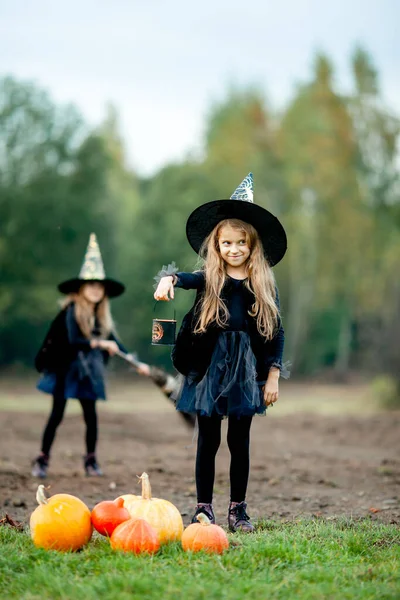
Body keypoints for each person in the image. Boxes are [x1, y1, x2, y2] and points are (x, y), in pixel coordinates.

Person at [154, 173, 288, 532]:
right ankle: (203, 509)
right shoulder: (210, 278)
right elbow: (185, 278)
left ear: (252, 246)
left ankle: (238, 510)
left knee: (239, 441)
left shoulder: (263, 284)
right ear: (216, 245)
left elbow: (276, 333)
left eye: (240, 243)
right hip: (210, 368)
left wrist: (273, 375)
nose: (233, 249)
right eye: (226, 243)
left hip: (246, 372)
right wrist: (169, 280)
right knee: (208, 439)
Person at [32, 233, 146, 478]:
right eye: (91, 285)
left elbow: (115, 342)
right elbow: (74, 341)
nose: (96, 289)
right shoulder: (72, 310)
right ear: (82, 288)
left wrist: (136, 363)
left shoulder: (102, 315)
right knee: (57, 414)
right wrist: (100, 343)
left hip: (88, 372)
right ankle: (42, 459)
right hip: (66, 369)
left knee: (91, 416)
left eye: (99, 285)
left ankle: (91, 461)